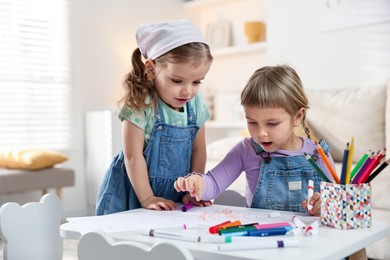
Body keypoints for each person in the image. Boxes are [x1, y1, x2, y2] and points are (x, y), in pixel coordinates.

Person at [174, 64, 336, 216]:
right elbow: (215, 182)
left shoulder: (318, 153)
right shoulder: (246, 150)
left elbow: (339, 199)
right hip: (259, 236)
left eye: (272, 124)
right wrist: (198, 183)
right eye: (252, 122)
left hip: (309, 239)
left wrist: (326, 205)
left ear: (297, 116)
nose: (261, 133)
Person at [96, 19, 213, 215]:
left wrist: (193, 189)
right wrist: (147, 198)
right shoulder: (140, 104)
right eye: (177, 80)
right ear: (151, 69)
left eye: (196, 82)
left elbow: (199, 149)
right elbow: (133, 156)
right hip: (133, 193)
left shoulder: (195, 104)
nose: (188, 90)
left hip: (173, 197)